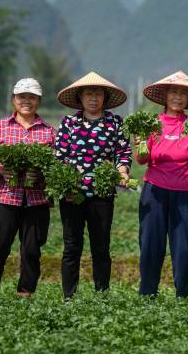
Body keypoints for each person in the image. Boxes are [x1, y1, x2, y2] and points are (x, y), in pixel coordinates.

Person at [134, 70, 188, 297]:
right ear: (165, 97)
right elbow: (142, 159)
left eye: (183, 93)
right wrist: (139, 143)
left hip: (185, 192)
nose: (178, 97)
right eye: (174, 92)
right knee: (151, 245)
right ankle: (147, 294)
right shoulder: (152, 124)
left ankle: (185, 295)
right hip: (154, 192)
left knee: (184, 247)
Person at [55, 71, 131, 299]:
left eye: (98, 94)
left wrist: (122, 171)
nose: (93, 98)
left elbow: (123, 153)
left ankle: (102, 295)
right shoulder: (69, 122)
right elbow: (60, 156)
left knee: (101, 247)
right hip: (72, 195)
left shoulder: (115, 123)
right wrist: (66, 185)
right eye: (88, 93)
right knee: (72, 247)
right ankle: (69, 296)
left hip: (102, 194)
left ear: (104, 98)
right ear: (80, 98)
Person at [0, 78, 55, 300]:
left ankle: (25, 296)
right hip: (5, 197)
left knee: (31, 251)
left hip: (36, 199)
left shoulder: (49, 132)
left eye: (31, 97)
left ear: (38, 101)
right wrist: (1, 170)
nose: (26, 102)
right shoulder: (0, 127)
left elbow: (56, 166)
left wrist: (41, 175)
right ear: (14, 100)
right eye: (22, 97)